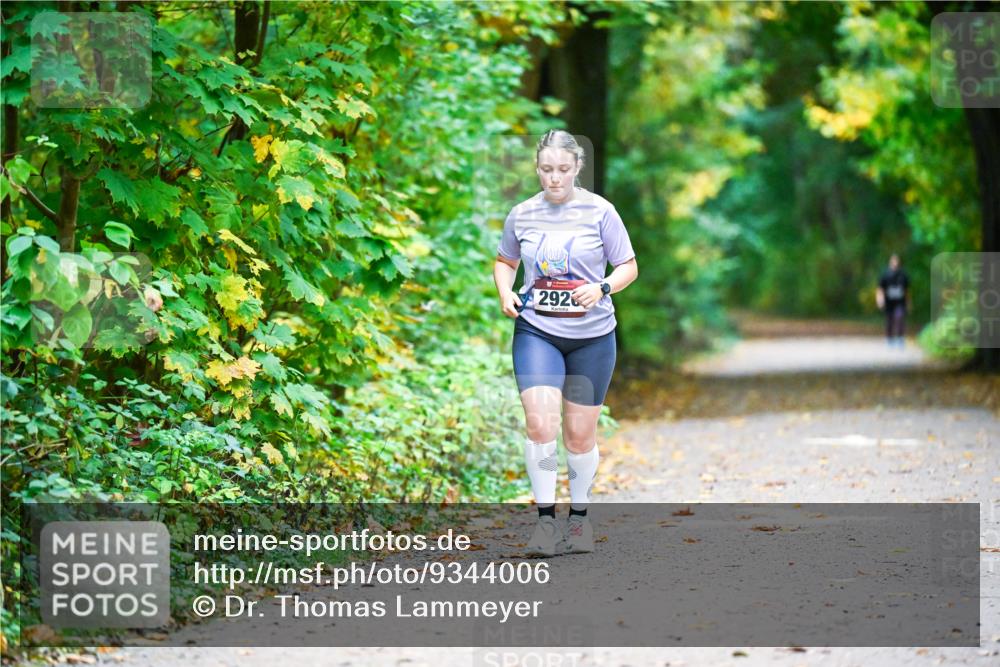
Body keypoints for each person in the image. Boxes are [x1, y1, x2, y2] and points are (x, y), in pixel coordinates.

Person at [492, 130, 638, 556]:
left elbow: (628, 265)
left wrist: (603, 287)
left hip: (592, 339)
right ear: (537, 169)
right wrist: (506, 292)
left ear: (577, 169)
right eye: (546, 170)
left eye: (562, 170)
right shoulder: (522, 214)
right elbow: (506, 262)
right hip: (538, 332)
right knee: (540, 424)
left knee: (578, 436)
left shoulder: (600, 212)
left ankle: (579, 520)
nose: (554, 178)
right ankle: (544, 524)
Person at [876, 253, 911, 348]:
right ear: (890, 262)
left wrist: (908, 303)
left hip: (900, 302)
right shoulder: (885, 274)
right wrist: (880, 299)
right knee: (889, 320)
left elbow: (907, 290)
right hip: (889, 302)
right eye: (893, 261)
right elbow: (880, 289)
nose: (895, 263)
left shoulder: (903, 275)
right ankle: (889, 339)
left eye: (897, 261)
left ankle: (900, 339)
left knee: (900, 318)